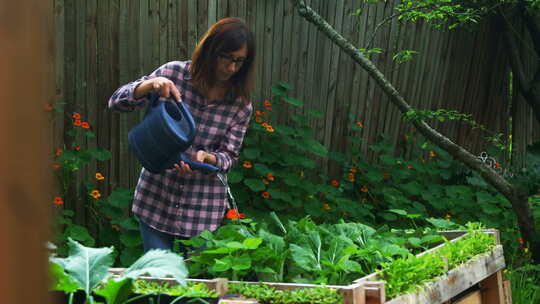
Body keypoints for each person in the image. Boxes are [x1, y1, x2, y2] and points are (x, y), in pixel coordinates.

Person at [108, 17, 255, 254]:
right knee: (158, 280)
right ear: (210, 51)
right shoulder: (173, 74)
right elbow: (115, 103)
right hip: (156, 197)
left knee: (195, 288)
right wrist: (150, 85)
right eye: (226, 58)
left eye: (239, 61)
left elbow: (229, 156)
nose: (231, 68)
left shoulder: (240, 105)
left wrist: (208, 159)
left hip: (201, 209)